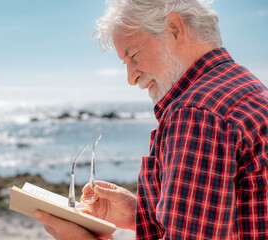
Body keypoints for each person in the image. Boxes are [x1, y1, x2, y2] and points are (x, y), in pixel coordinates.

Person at [34, 0, 268, 239]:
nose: (131, 77)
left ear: (175, 28)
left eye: (133, 55)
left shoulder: (197, 114)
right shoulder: (248, 90)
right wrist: (140, 215)